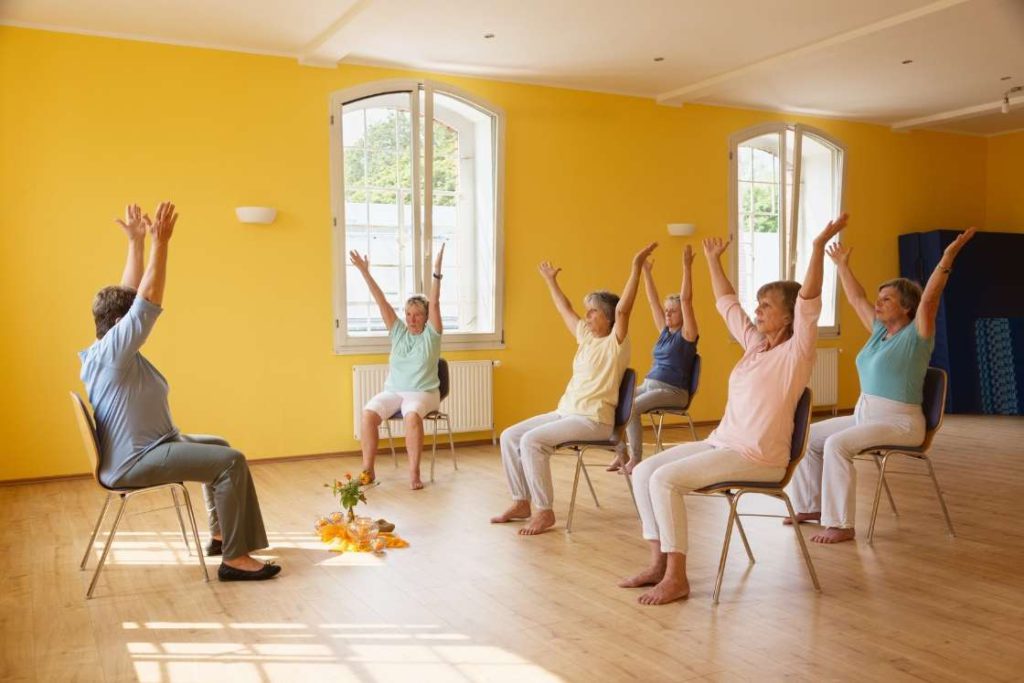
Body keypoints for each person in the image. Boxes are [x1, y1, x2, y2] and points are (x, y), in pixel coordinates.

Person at [622, 214, 848, 605]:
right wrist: (712, 262)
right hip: (723, 443)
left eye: (766, 306)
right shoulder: (756, 346)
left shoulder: (797, 353)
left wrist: (815, 249)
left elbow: (810, 299)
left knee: (665, 480)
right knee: (644, 471)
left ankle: (677, 576)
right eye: (758, 305)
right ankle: (658, 562)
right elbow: (727, 304)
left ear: (789, 316)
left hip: (759, 457)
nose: (757, 312)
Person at [80, 202, 280, 581]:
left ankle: (222, 535)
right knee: (231, 460)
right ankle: (235, 560)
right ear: (122, 325)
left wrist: (136, 244)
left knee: (219, 445)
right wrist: (161, 243)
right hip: (137, 460)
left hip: (146, 448)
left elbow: (128, 298)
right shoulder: (116, 351)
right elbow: (145, 300)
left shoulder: (103, 349)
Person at [786, 227, 977, 543]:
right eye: (880, 298)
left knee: (837, 444)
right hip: (867, 418)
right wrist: (842, 266)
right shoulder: (878, 332)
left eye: (887, 299)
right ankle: (811, 506)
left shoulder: (916, 335)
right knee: (810, 437)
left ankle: (842, 524)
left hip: (901, 423)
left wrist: (947, 256)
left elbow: (930, 297)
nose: (878, 303)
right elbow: (857, 297)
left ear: (906, 307)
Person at [490, 243, 658, 535]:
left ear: (608, 318)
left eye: (593, 312)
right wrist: (551, 281)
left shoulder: (615, 343)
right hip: (566, 412)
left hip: (594, 420)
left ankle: (544, 511)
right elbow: (564, 308)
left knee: (531, 442)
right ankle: (521, 501)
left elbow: (625, 308)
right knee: (509, 436)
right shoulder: (586, 337)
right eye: (588, 311)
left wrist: (635, 268)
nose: (587, 316)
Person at [350, 244, 446, 490]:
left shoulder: (431, 336)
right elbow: (380, 300)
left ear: (426, 317)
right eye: (409, 314)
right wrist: (364, 271)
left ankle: (414, 473)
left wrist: (436, 272)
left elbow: (434, 303)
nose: (412, 319)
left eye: (417, 314)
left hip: (424, 392)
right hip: (394, 390)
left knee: (412, 415)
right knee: (368, 414)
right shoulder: (399, 332)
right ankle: (368, 469)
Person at [608, 245, 699, 474]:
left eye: (673, 311)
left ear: (682, 314)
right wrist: (646, 271)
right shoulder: (664, 332)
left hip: (674, 391)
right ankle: (622, 453)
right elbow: (652, 302)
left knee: (632, 408)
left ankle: (636, 460)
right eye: (667, 310)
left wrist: (686, 267)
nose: (667, 313)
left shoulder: (687, 334)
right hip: (650, 385)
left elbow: (687, 300)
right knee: (612, 400)